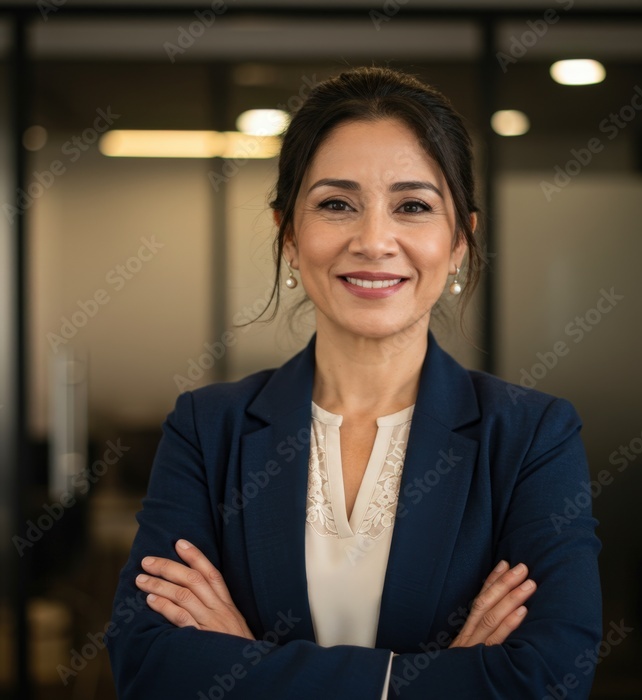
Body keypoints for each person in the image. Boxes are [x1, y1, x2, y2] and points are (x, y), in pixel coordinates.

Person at [106, 66, 602, 699]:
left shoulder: (531, 436)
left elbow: (548, 680)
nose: (373, 241)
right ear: (289, 233)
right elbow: (149, 667)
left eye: (413, 206)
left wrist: (244, 659)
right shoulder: (209, 428)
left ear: (458, 242)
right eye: (336, 204)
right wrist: (428, 680)